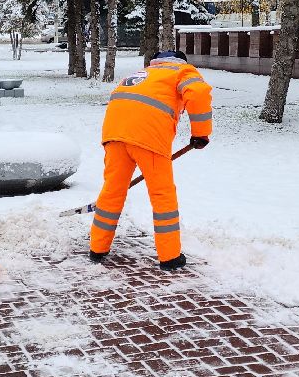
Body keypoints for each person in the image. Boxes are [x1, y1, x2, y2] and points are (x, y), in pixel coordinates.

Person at [89, 50, 212, 270]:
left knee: (112, 191)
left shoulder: (141, 74)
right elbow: (199, 92)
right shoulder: (181, 71)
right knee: (162, 195)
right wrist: (201, 133)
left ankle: (97, 248)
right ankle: (170, 256)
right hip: (149, 138)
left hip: (114, 135)